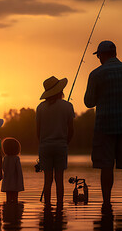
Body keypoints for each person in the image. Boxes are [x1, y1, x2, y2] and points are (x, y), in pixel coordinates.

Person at [84, 40, 122, 212]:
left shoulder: (96, 74)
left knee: (106, 165)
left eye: (98, 55)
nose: (98, 58)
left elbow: (88, 102)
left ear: (102, 55)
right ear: (115, 53)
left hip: (105, 126)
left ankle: (106, 203)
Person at [36, 76, 75, 208]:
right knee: (59, 179)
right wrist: (66, 142)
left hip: (45, 146)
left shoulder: (40, 108)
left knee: (47, 180)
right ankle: (59, 206)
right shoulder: (68, 106)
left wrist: (41, 144)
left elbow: (38, 130)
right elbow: (71, 129)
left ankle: (47, 206)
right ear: (60, 91)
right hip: (61, 145)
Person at [1, 137, 24, 203]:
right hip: (15, 181)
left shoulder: (5, 158)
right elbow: (19, 171)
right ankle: (15, 210)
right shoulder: (16, 158)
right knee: (15, 198)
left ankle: (8, 210)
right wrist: (20, 182)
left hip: (7, 181)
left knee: (8, 198)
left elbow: (4, 168)